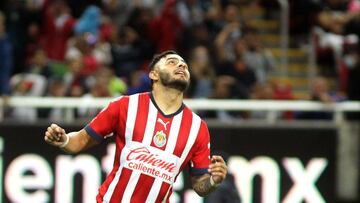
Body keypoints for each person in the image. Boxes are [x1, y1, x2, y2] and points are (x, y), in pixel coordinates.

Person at [44, 50, 228, 202]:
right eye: (172, 62)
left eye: (184, 65)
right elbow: (80, 141)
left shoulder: (198, 128)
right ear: (153, 74)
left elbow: (199, 184)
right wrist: (64, 139)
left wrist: (213, 181)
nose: (181, 66)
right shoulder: (125, 106)